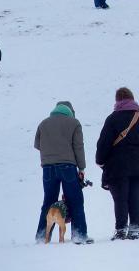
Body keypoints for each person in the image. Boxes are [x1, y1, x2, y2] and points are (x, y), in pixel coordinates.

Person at [96, 87, 139, 241]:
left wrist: (100, 161)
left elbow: (103, 143)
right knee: (135, 196)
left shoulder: (112, 119)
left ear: (117, 100)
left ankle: (121, 229)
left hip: (118, 165)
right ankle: (134, 229)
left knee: (120, 198)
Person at [34, 100, 91, 244]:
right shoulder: (74, 123)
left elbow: (37, 145)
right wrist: (82, 168)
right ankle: (79, 236)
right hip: (68, 167)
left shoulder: (43, 123)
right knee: (75, 200)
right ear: (70, 111)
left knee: (48, 202)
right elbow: (78, 147)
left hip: (48, 168)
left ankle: (42, 237)